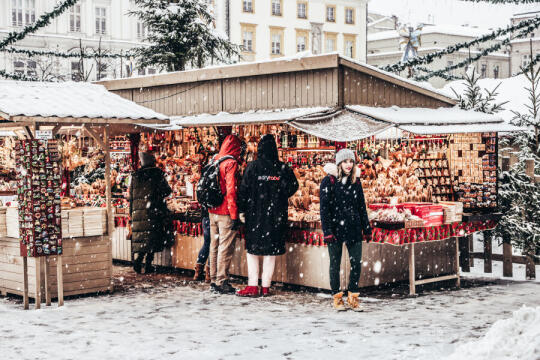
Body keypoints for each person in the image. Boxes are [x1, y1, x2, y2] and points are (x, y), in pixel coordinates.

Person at [237, 134, 298, 297]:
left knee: (253, 251)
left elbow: (242, 191)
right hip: (275, 217)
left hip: (254, 215)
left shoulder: (252, 167)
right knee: (271, 253)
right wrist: (279, 191)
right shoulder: (282, 168)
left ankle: (252, 285)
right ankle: (265, 286)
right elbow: (293, 186)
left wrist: (241, 210)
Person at [320, 149, 371, 311]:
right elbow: (324, 209)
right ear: (339, 163)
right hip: (335, 229)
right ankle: (337, 297)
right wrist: (327, 230)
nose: (348, 165)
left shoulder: (356, 181)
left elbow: (361, 206)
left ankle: (353, 296)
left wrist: (366, 227)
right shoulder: (329, 181)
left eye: (351, 161)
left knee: (356, 263)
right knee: (335, 264)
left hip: (354, 228)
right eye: (345, 161)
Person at [208, 135, 244, 294]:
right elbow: (231, 191)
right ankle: (222, 281)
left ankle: (214, 278)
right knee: (225, 247)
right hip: (225, 212)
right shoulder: (231, 163)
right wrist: (234, 215)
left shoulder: (215, 160)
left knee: (214, 245)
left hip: (212, 211)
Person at [129, 151, 173, 274]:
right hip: (154, 210)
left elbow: (131, 197)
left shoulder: (135, 176)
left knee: (144, 238)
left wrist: (131, 213)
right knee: (152, 238)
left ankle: (138, 260)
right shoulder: (157, 174)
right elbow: (167, 191)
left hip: (138, 213)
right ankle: (148, 264)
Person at [193, 207, 211, 283]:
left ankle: (198, 272)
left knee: (206, 243)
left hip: (205, 217)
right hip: (214, 215)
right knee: (214, 245)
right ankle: (209, 273)